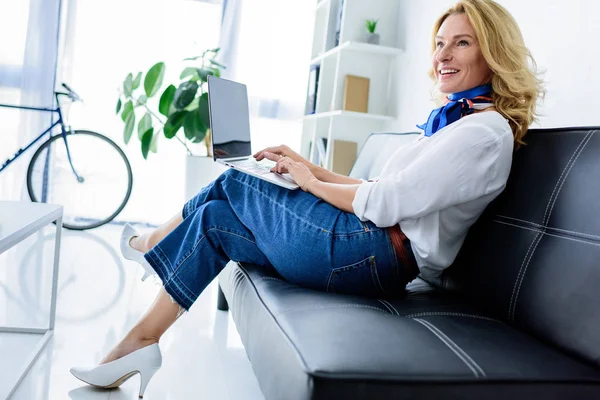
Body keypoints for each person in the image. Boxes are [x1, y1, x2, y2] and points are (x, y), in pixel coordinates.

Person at [70, 0, 544, 397]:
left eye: (462, 42)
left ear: (494, 53)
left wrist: (307, 179)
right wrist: (308, 166)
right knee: (216, 218)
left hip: (375, 253)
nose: (443, 54)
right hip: (369, 245)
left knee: (238, 182)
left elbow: (383, 206)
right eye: (440, 43)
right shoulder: (457, 123)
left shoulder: (484, 133)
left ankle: (153, 246)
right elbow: (375, 190)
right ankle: (139, 342)